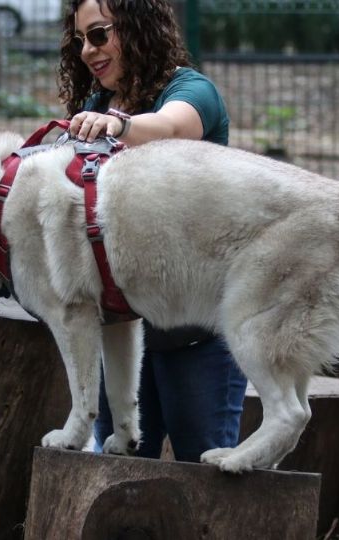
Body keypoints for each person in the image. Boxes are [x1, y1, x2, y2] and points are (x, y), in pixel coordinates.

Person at [58, 0, 248, 461]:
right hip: (123, 335)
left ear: (139, 29)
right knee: (118, 474)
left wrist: (118, 125)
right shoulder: (95, 106)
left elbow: (173, 127)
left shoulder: (190, 89)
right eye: (80, 38)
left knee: (207, 473)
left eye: (99, 34)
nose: (87, 50)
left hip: (197, 335)